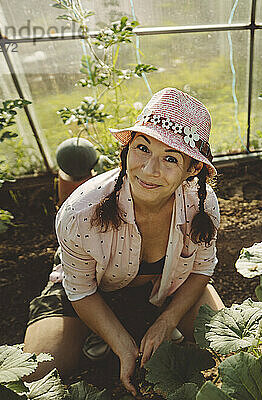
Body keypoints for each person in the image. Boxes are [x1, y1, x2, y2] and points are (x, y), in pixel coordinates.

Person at [23, 87, 225, 396]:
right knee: (37, 375)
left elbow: (201, 271)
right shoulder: (80, 213)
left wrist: (166, 321)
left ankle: (141, 323)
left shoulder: (202, 204)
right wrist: (122, 344)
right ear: (127, 148)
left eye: (170, 158)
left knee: (226, 346)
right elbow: (80, 289)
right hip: (92, 288)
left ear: (192, 169)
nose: (149, 169)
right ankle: (105, 331)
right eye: (143, 148)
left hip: (169, 286)